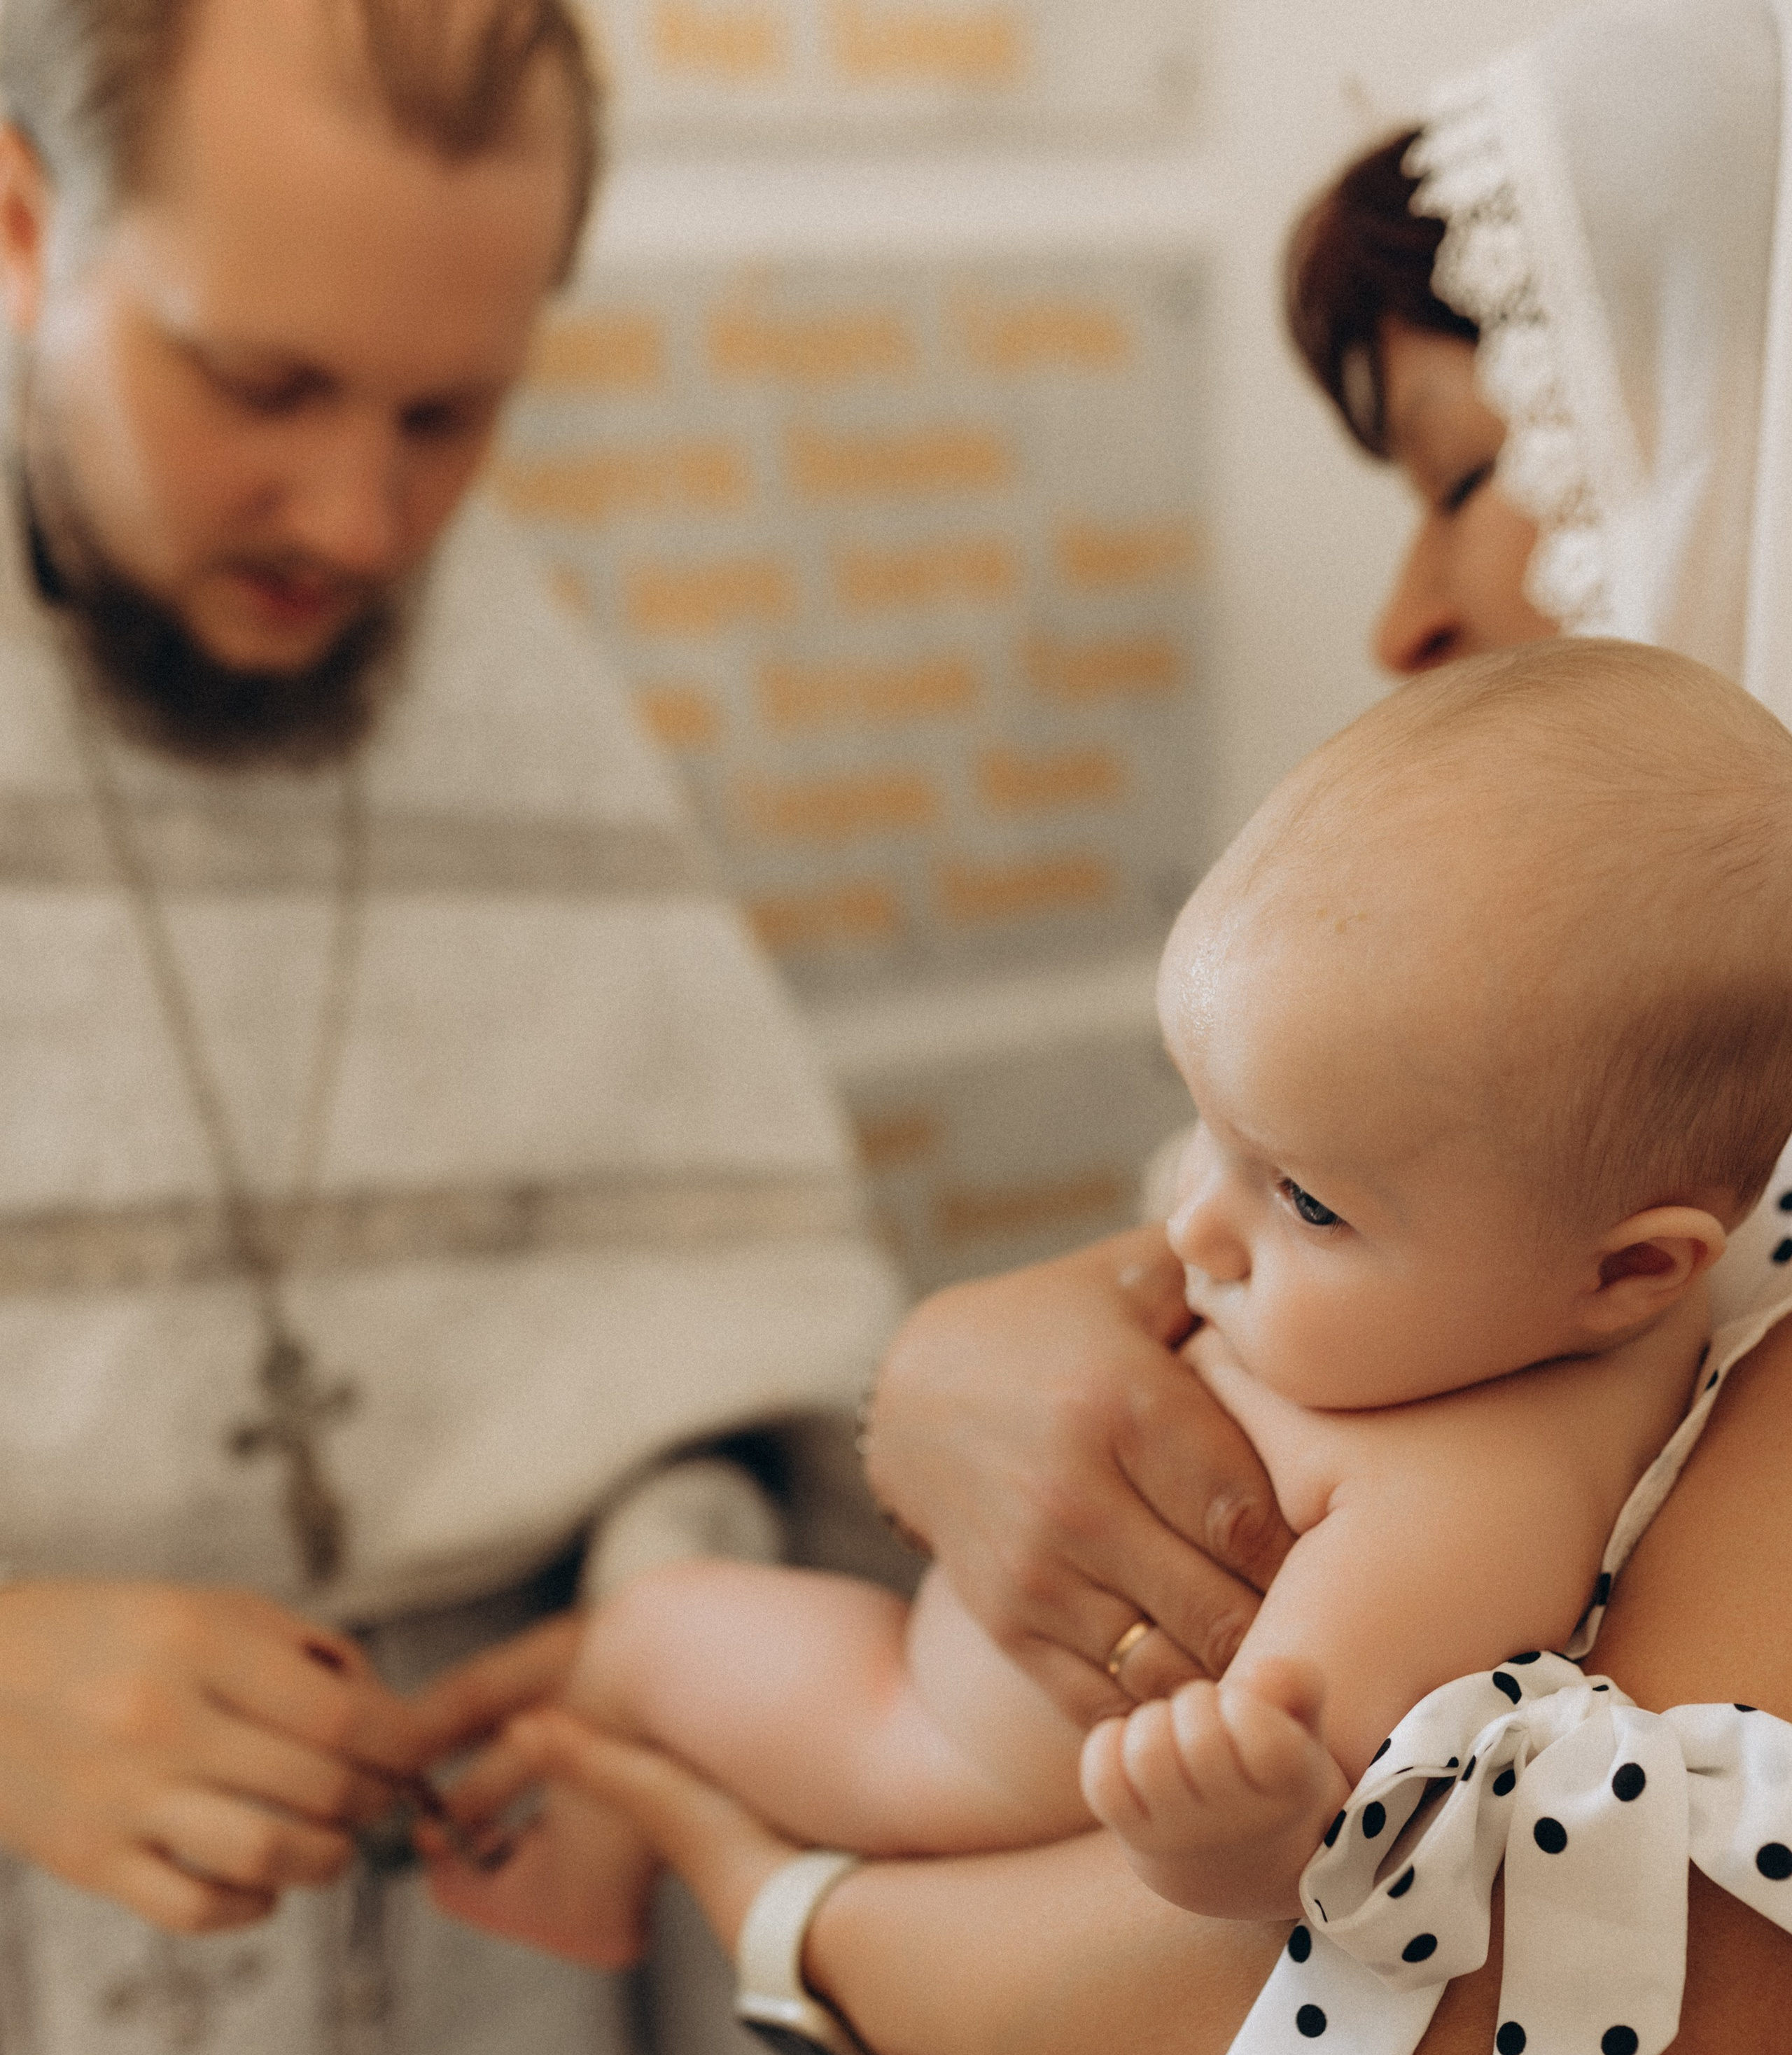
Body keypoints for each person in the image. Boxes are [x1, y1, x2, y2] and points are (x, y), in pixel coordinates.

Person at [430, 4, 1792, 2055]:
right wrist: (982, 1358)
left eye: (1465, 472)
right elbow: (1251, 1310)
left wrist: (790, 1912)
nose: (1407, 602)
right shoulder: (1522, 1036)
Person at [0, 4, 1051, 2055]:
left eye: (454, 417)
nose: (355, 515)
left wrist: (667, 1615)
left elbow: (724, 1354)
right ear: (24, 224)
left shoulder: (493, 673)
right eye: (261, 385)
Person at [462, 640, 1789, 1946]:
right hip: (968, 1625)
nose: (1194, 1223)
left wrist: (1233, 1830)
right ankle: (600, 1810)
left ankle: (593, 1845)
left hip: (937, 1744)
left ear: (1630, 1272)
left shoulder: (1479, 1489)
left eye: (1306, 1201)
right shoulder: (1449, 1285)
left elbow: (1333, 1829)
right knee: (671, 1639)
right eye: (1205, 1130)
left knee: (649, 1635)